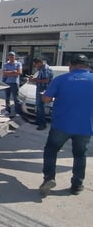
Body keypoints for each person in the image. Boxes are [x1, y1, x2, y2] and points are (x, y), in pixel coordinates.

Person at [39, 54, 93, 196]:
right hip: (85, 126)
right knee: (80, 155)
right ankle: (77, 186)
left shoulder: (61, 80)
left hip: (61, 125)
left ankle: (49, 178)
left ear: (71, 65)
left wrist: (45, 94)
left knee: (51, 151)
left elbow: (46, 99)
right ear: (87, 66)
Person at [29, 58, 53, 130]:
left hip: (43, 89)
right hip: (40, 88)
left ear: (39, 63)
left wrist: (33, 80)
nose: (35, 66)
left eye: (35, 64)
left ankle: (42, 124)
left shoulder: (45, 69)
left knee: (40, 106)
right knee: (38, 106)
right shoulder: (42, 68)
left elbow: (46, 80)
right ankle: (38, 121)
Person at [2, 51, 22, 116]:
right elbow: (4, 73)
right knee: (7, 97)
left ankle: (17, 112)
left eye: (12, 56)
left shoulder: (18, 64)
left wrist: (9, 73)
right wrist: (13, 72)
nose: (11, 57)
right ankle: (7, 110)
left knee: (16, 98)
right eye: (10, 56)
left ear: (14, 57)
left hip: (15, 83)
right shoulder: (6, 64)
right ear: (8, 57)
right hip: (7, 82)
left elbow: (19, 72)